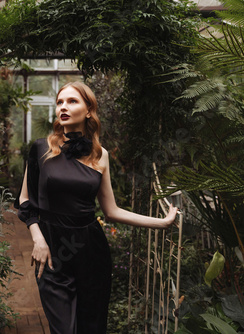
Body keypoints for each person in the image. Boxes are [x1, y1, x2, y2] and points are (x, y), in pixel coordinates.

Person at [14, 81, 179, 334]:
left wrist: (163, 222)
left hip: (91, 251)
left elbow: (111, 211)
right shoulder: (40, 148)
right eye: (59, 102)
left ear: (89, 110)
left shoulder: (100, 155)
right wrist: (38, 238)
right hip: (53, 252)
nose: (63, 107)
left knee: (91, 327)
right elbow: (25, 201)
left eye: (72, 101)